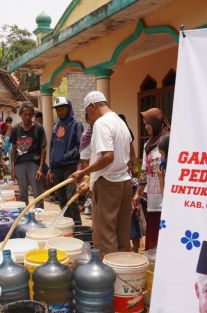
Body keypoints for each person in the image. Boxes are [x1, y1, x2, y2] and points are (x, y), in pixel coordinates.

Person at [71, 91, 132, 255]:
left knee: (105, 236)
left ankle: (110, 276)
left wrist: (83, 171)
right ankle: (124, 272)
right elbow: (131, 154)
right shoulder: (120, 122)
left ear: (92, 106)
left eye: (87, 111)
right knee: (122, 234)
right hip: (124, 182)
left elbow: (108, 157)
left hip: (108, 183)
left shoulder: (101, 123)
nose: (87, 115)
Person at [133, 108, 169, 250]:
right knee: (153, 240)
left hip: (166, 199)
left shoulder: (169, 140)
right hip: (152, 199)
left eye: (148, 123)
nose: (146, 127)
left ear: (155, 122)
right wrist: (138, 194)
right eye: (144, 123)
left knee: (165, 240)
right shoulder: (147, 146)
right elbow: (144, 171)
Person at [47, 97, 83, 223]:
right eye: (57, 109)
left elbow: (80, 146)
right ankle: (68, 223)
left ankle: (78, 226)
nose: (60, 111)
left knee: (71, 198)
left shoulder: (76, 125)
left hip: (70, 166)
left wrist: (66, 156)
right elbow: (52, 147)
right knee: (61, 199)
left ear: (68, 108)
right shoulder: (56, 126)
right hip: (56, 168)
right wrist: (50, 167)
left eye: (62, 108)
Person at [11, 103, 47, 208]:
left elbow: (43, 148)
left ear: (32, 115)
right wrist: (13, 167)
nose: (27, 117)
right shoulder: (16, 129)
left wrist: (40, 168)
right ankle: (24, 217)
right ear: (20, 114)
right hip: (19, 164)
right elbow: (13, 148)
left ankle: (40, 215)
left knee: (37, 193)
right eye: (25, 114)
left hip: (34, 163)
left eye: (30, 115)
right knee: (22, 194)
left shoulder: (39, 128)